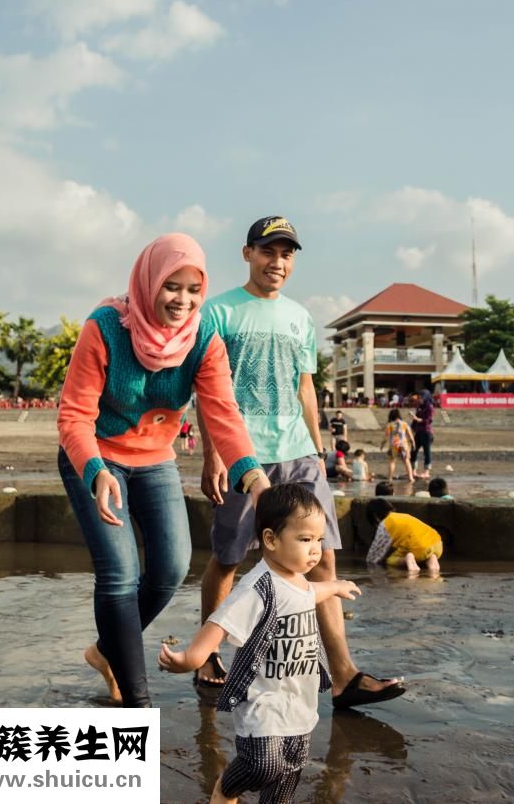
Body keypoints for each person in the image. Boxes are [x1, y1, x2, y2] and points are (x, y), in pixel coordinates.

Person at [196, 215, 403, 708]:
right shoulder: (218, 312)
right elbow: (208, 392)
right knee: (230, 557)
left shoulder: (300, 317)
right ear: (248, 254)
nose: (278, 262)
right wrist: (213, 456)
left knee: (322, 556)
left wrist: (319, 449)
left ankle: (344, 676)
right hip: (244, 454)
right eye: (269, 251)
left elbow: (305, 387)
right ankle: (208, 656)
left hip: (299, 453)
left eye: (287, 253)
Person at [57, 233, 270, 708]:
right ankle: (136, 703)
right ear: (149, 280)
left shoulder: (202, 340)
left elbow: (223, 414)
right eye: (171, 286)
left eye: (194, 289)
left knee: (172, 569)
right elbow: (73, 416)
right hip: (94, 456)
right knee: (119, 573)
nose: (183, 300)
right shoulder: (106, 327)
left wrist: (254, 479)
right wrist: (95, 471)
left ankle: (107, 651)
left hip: (155, 460)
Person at [159, 484, 362, 804]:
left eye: (319, 540)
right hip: (263, 702)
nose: (315, 550)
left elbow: (310, 595)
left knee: (289, 773)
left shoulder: (297, 579)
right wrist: (191, 657)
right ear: (270, 539)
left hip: (298, 700)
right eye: (305, 539)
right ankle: (225, 788)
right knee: (264, 764)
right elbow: (220, 622)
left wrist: (335, 586)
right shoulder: (259, 587)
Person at [366, 498, 443, 574]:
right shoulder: (403, 516)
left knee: (390, 560)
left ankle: (406, 559)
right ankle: (431, 559)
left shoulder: (385, 524)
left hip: (419, 549)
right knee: (424, 554)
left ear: (375, 517)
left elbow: (374, 555)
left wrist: (368, 565)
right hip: (437, 544)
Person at [380, 409, 415, 483]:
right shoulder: (404, 424)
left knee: (392, 461)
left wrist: (382, 445)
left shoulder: (389, 425)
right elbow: (410, 435)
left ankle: (390, 478)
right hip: (403, 444)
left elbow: (385, 437)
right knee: (407, 461)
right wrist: (413, 443)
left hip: (394, 445)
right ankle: (410, 478)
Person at [410, 389, 434, 479]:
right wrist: (411, 429)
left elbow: (428, 421)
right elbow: (415, 421)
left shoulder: (429, 407)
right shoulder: (419, 406)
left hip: (426, 432)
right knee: (413, 450)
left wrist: (416, 418)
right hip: (418, 432)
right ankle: (413, 471)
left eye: (421, 397)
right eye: (419, 397)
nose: (420, 399)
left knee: (426, 452)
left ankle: (426, 471)